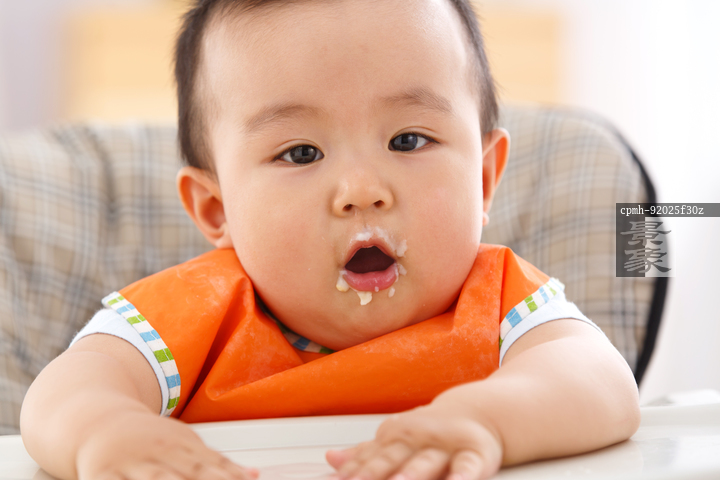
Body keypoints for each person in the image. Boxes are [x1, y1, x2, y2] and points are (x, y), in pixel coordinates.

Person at [20, 0, 641, 479]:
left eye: (407, 141)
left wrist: (487, 420)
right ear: (217, 209)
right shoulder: (193, 315)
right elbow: (65, 392)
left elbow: (602, 384)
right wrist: (107, 431)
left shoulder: (504, 303)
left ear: (481, 180)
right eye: (301, 152)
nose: (362, 191)